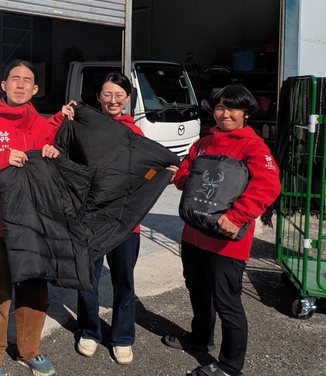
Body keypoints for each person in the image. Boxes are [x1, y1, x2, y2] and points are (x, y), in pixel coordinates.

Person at [0, 59, 75, 376]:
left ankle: (30, 349)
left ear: (35, 89)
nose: (20, 85)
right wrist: (0, 158)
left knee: (35, 291)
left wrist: (52, 154)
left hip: (35, 226)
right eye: (15, 78)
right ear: (3, 85)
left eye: (27, 80)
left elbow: (54, 166)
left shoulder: (42, 126)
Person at [162, 85, 281, 376]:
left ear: (246, 113)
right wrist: (178, 176)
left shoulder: (253, 147)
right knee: (197, 289)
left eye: (233, 108)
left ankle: (230, 366)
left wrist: (238, 216)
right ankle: (201, 337)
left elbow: (268, 185)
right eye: (219, 108)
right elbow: (187, 174)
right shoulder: (204, 143)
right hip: (194, 234)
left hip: (227, 242)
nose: (225, 114)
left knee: (227, 303)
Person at [75, 72, 145, 365]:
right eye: (107, 94)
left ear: (127, 98)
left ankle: (122, 337)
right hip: (91, 219)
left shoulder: (136, 133)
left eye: (119, 95)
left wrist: (161, 173)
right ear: (98, 97)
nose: (113, 100)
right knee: (87, 277)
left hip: (126, 223)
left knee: (123, 280)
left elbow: (147, 171)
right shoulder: (85, 128)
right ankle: (89, 330)